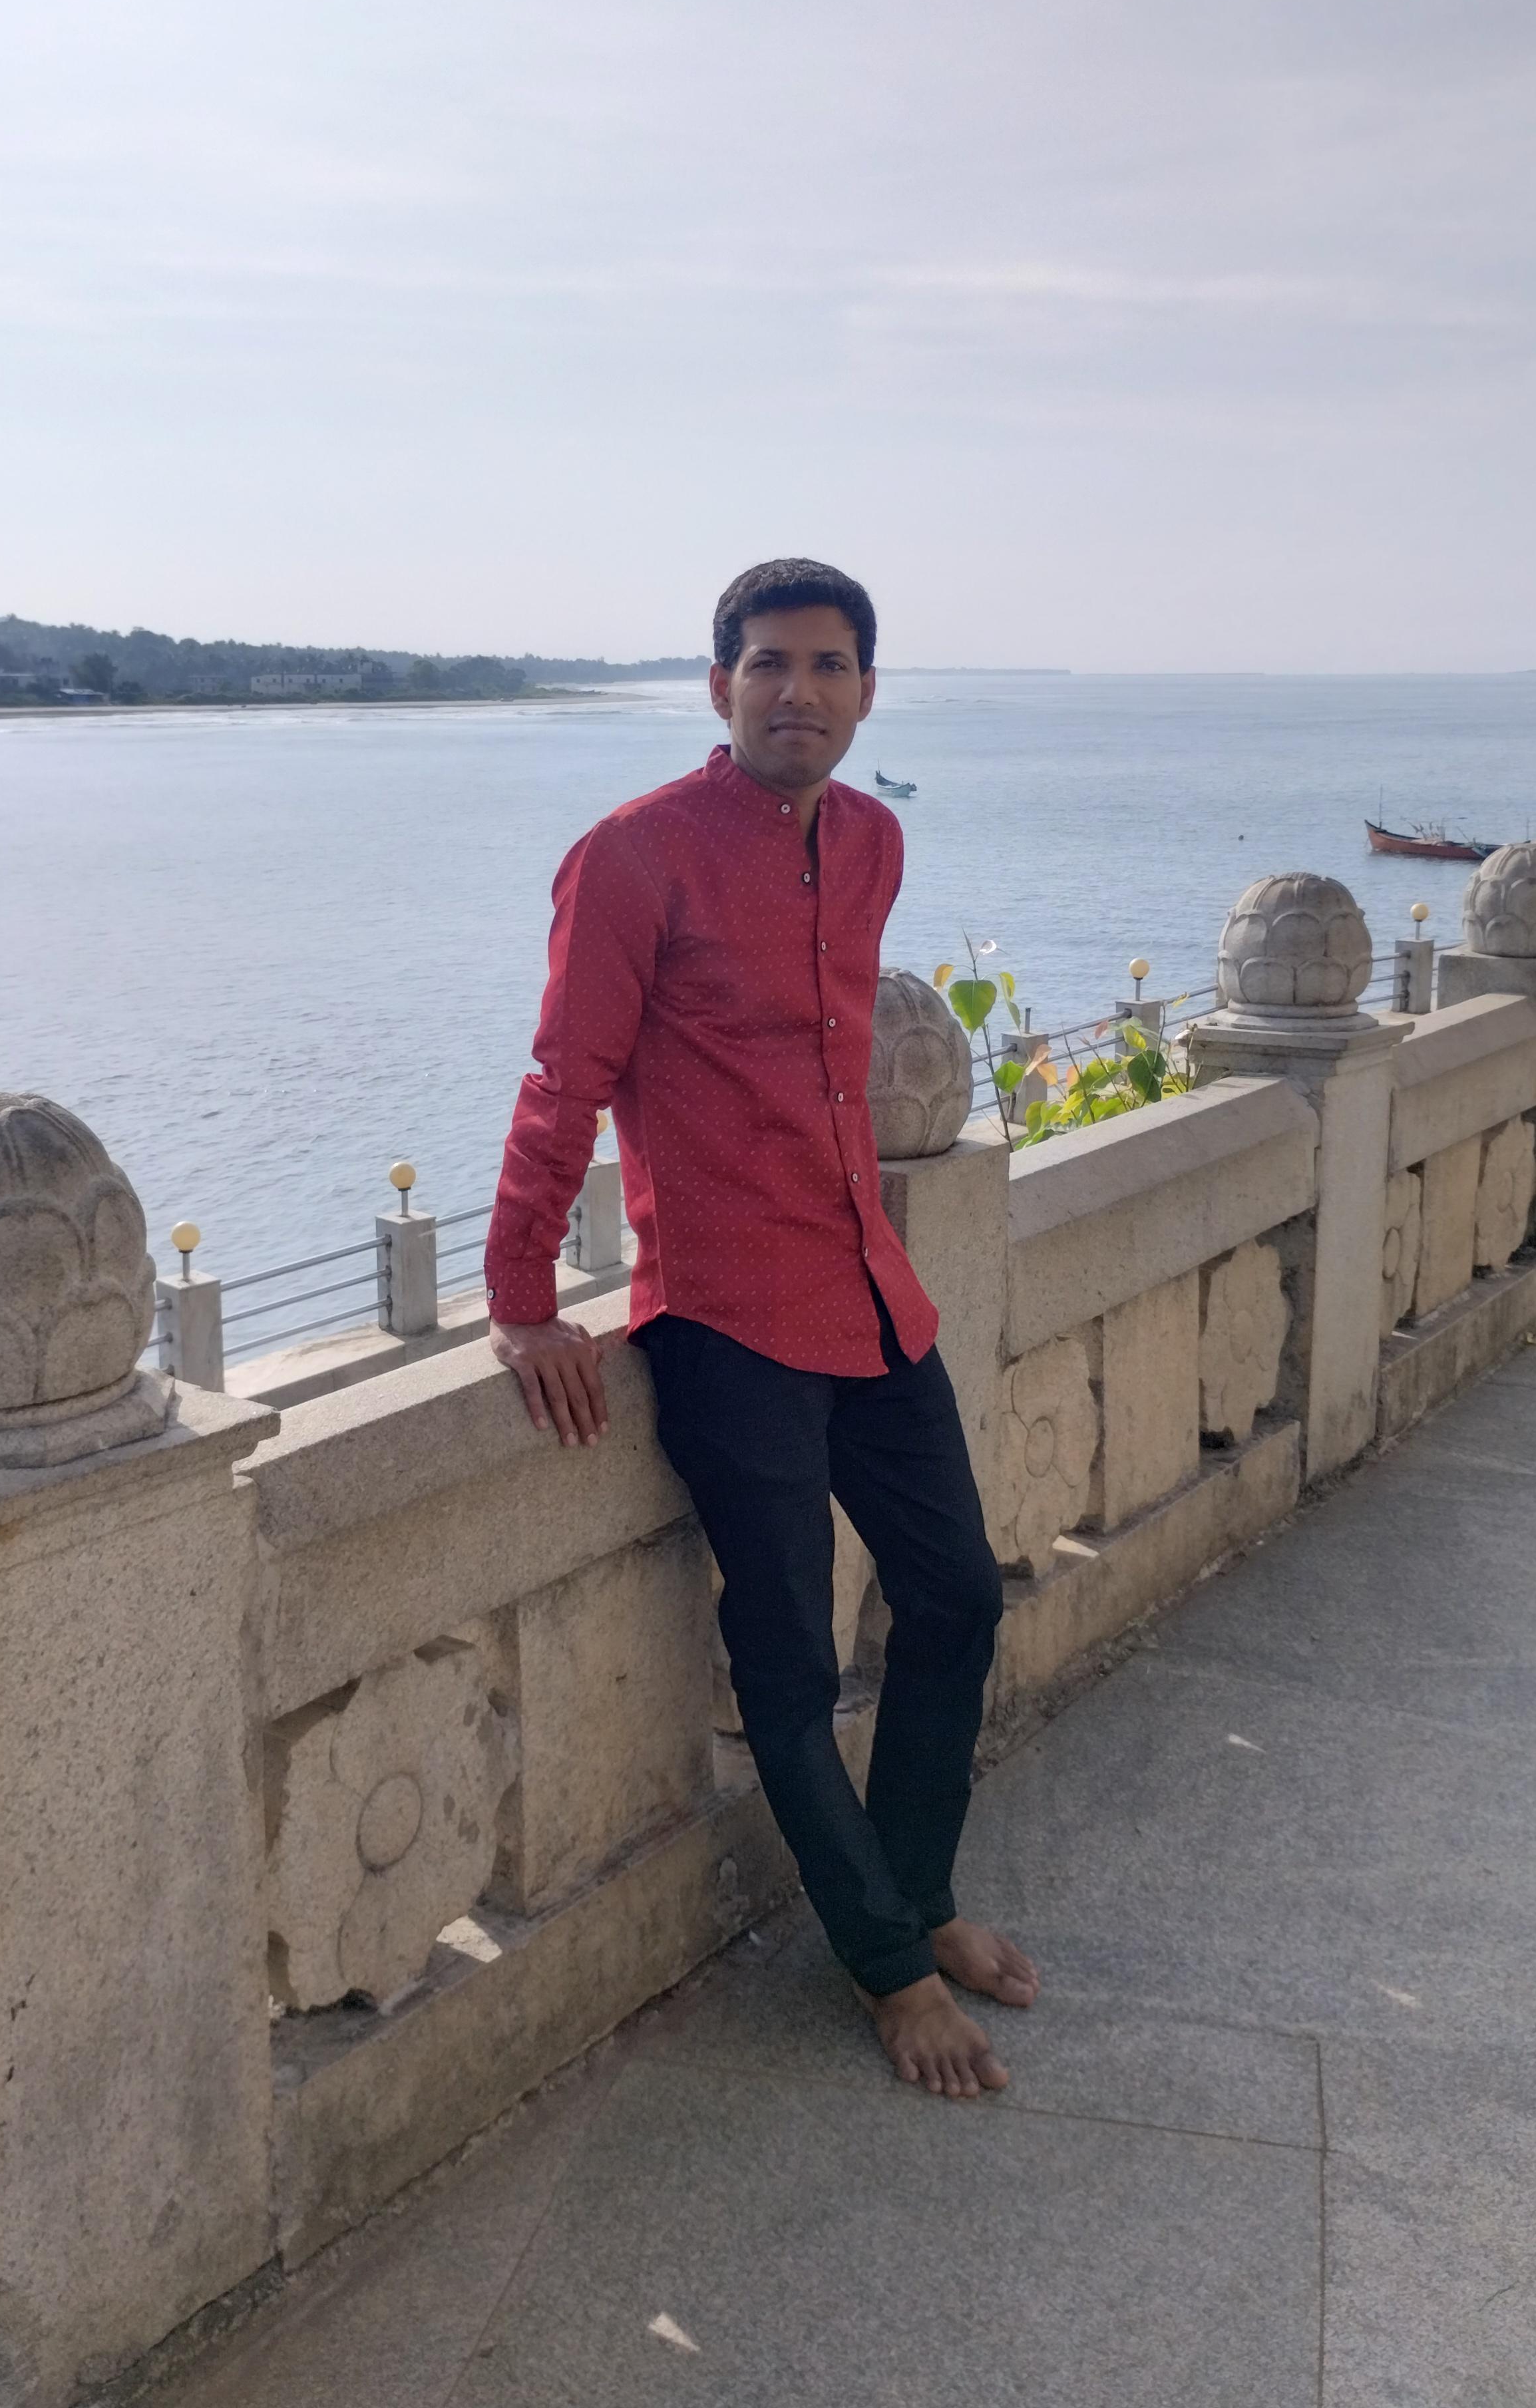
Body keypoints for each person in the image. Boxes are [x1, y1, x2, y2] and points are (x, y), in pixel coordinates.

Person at [483, 557, 1038, 2099]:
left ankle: (917, 1893)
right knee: (789, 1669)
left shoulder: (872, 843)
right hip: (727, 1320)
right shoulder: (633, 857)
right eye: (770, 664)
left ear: (868, 691)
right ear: (719, 683)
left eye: (830, 665)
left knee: (956, 1601)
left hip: (871, 1291)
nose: (800, 691)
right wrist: (523, 1301)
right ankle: (886, 1963)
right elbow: (565, 1082)